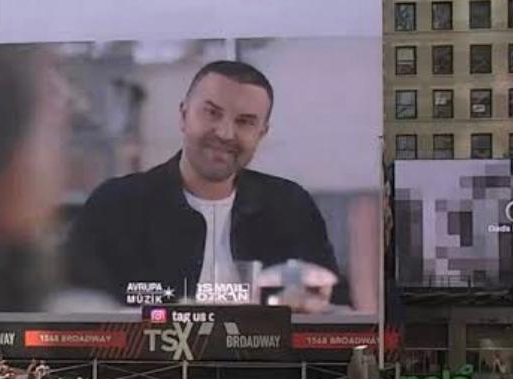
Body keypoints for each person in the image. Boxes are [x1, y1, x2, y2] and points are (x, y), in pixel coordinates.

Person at [63, 60, 345, 313]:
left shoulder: (290, 207)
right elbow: (73, 309)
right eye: (212, 113)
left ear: (261, 134)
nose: (225, 133)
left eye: (245, 122)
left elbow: (334, 306)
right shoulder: (116, 205)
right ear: (184, 115)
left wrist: (307, 306)